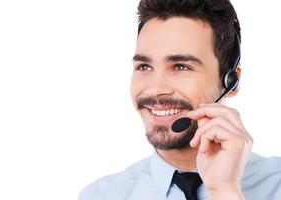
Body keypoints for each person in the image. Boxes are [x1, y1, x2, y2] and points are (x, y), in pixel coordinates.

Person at [79, 0, 281, 199]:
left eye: (181, 66)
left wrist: (224, 191)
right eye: (144, 66)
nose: (156, 89)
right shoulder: (101, 195)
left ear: (231, 82)